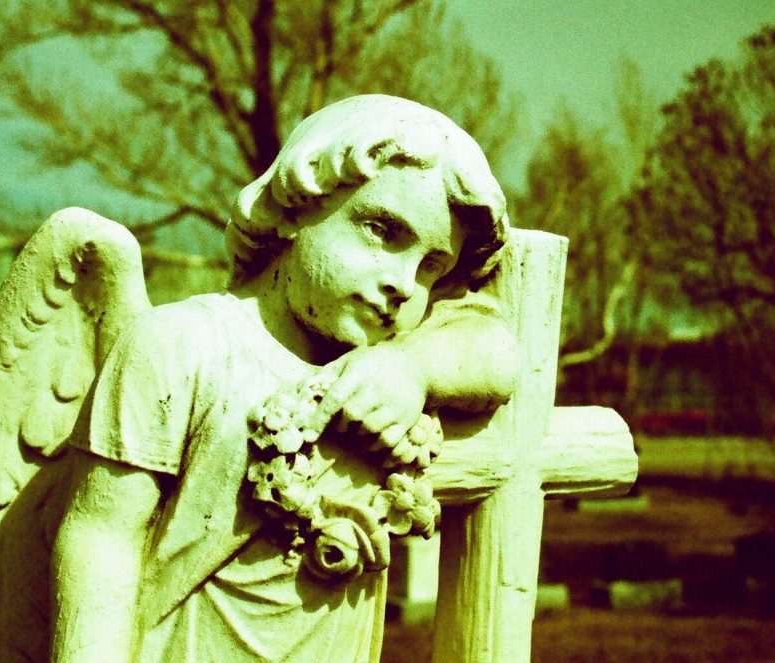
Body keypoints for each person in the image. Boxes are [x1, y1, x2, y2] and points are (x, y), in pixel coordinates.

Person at [50, 95, 518, 663]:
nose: (402, 281)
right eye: (382, 231)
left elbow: (497, 353)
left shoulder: (391, 369)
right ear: (299, 202)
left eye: (430, 268)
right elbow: (101, 539)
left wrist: (413, 366)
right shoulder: (182, 344)